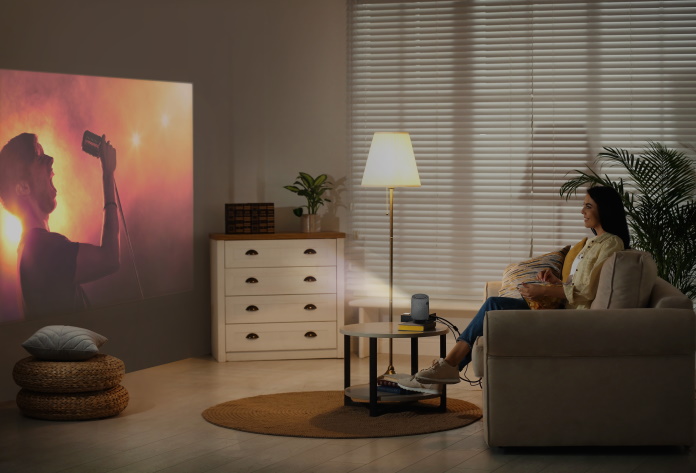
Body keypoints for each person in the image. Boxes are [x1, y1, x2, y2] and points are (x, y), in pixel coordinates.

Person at [398, 185, 630, 393]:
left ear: (605, 209)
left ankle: (448, 366)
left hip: (570, 319)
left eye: (588, 206)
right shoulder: (591, 242)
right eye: (583, 205)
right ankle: (448, 366)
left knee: (493, 306)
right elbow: (577, 284)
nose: (582, 211)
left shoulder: (611, 243)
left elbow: (588, 292)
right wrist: (554, 281)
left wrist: (544, 292)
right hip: (561, 309)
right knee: (494, 304)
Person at [0, 132, 119, 319]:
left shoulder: (30, 249)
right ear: (23, 187)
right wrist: (107, 175)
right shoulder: (41, 249)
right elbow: (110, 258)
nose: (51, 160)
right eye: (39, 158)